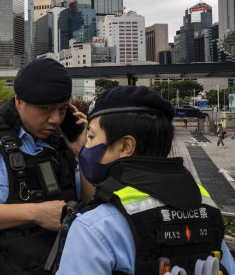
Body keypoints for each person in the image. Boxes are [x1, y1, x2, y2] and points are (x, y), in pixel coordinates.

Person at [56, 85, 235, 275]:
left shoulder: (94, 227)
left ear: (126, 145)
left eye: (91, 136)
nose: (86, 146)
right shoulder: (207, 205)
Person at [0, 58, 90, 274]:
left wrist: (83, 152)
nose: (55, 119)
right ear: (19, 100)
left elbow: (90, 202)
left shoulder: (64, 141)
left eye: (62, 109)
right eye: (45, 109)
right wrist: (36, 213)